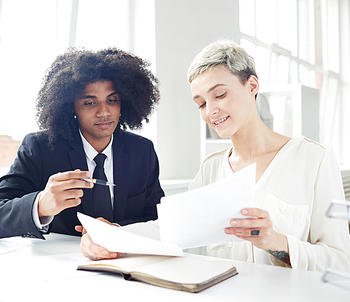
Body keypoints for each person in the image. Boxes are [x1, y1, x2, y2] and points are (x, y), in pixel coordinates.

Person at [79, 40, 350, 272]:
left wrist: (276, 242)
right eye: (201, 103)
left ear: (252, 85)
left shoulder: (315, 160)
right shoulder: (211, 169)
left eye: (219, 94)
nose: (211, 111)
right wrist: (111, 236)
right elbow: (170, 231)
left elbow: (340, 261)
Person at [0, 46, 164, 241]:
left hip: (127, 261)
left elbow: (158, 219)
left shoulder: (142, 150)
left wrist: (116, 229)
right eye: (90, 102)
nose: (104, 112)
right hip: (64, 264)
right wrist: (40, 204)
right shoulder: (40, 148)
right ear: (70, 106)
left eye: (112, 100)